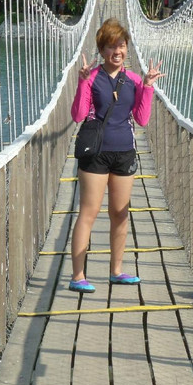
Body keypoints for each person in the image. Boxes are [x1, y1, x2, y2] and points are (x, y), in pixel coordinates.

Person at [68, 18, 165, 293]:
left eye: (121, 45)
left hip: (124, 153)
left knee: (120, 215)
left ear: (127, 49)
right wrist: (82, 82)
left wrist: (147, 87)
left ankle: (116, 271)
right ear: (102, 50)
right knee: (88, 213)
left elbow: (142, 119)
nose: (117, 51)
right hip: (95, 155)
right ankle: (78, 276)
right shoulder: (92, 77)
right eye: (111, 47)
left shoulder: (134, 80)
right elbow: (77, 115)